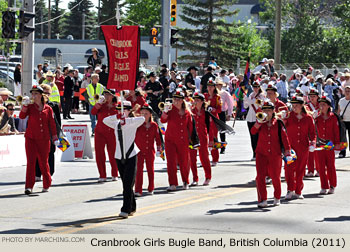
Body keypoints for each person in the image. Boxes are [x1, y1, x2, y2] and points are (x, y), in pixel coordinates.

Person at [103, 100, 145, 218]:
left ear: (128, 111)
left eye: (123, 110)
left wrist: (126, 120)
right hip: (119, 156)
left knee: (127, 184)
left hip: (131, 155)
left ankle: (125, 209)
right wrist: (117, 117)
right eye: (118, 110)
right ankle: (132, 206)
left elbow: (142, 119)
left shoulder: (133, 122)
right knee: (126, 183)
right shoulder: (116, 123)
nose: (121, 112)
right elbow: (104, 120)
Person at [251, 101, 292, 208]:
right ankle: (262, 199)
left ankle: (277, 197)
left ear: (273, 111)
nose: (266, 112)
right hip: (261, 153)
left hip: (275, 154)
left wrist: (288, 152)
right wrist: (259, 122)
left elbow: (285, 138)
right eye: (264, 110)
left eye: (269, 110)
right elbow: (253, 132)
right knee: (260, 177)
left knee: (275, 176)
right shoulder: (260, 121)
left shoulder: (278, 123)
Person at [19, 85, 58, 195]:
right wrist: (24, 106)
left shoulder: (48, 108)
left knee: (43, 162)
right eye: (33, 93)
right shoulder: (30, 107)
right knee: (31, 162)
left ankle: (47, 182)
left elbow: (52, 124)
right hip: (31, 138)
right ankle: (29, 186)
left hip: (44, 139)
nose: (34, 96)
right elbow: (22, 116)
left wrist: (55, 137)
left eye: (36, 93)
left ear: (41, 95)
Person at [284, 96, 316, 200]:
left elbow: (312, 133)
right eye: (293, 105)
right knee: (289, 169)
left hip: (303, 147)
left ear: (302, 105)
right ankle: (290, 189)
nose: (294, 107)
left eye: (296, 105)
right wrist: (282, 119)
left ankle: (298, 191)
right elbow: (281, 129)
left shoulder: (308, 118)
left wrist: (313, 142)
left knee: (300, 170)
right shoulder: (288, 116)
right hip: (290, 147)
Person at [161, 90, 193, 191]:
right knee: (171, 163)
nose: (176, 101)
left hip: (183, 140)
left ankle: (185, 181)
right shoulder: (170, 110)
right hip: (170, 140)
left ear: (182, 100)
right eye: (175, 99)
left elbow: (190, 127)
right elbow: (163, 120)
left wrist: (192, 140)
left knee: (184, 162)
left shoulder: (187, 112)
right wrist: (165, 112)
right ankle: (173, 183)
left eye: (178, 99)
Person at [91, 89, 119, 182]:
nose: (106, 96)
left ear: (113, 96)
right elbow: (93, 112)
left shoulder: (117, 106)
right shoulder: (101, 105)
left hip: (112, 132)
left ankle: (115, 173)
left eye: (108, 95)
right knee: (99, 153)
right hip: (100, 132)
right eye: (105, 94)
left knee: (113, 153)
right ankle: (102, 175)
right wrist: (98, 103)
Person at [134, 104, 162, 196]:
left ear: (150, 114)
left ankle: (151, 188)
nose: (144, 116)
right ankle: (138, 189)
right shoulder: (137, 125)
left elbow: (158, 139)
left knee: (150, 169)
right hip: (139, 151)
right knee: (139, 170)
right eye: (142, 113)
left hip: (150, 150)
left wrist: (159, 149)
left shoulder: (154, 125)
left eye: (146, 113)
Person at [35, 84, 61, 181]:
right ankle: (37, 173)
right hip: (38, 132)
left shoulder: (53, 105)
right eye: (43, 92)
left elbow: (58, 121)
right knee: (37, 153)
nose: (45, 95)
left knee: (50, 152)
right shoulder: (35, 105)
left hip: (50, 132)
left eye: (47, 93)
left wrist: (58, 135)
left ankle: (50, 173)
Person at [315, 96, 340, 195]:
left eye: (324, 104)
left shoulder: (333, 117)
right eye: (320, 104)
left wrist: (337, 144)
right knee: (321, 166)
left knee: (330, 166)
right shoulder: (317, 118)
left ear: (328, 106)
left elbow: (336, 131)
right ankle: (324, 186)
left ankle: (332, 185)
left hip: (330, 143)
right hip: (320, 144)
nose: (321, 106)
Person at [189, 92, 212, 186]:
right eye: (195, 100)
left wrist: (211, 140)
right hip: (193, 137)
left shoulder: (206, 113)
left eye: (198, 100)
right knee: (192, 158)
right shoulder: (191, 112)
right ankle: (195, 178)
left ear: (202, 102)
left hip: (202, 137)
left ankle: (208, 176)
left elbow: (210, 127)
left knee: (204, 157)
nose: (195, 101)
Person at [243, 81, 266, 160]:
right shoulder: (251, 95)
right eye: (254, 87)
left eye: (257, 87)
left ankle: (259, 153)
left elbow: (259, 103)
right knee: (252, 136)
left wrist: (248, 100)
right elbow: (246, 106)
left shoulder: (262, 95)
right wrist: (244, 100)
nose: (255, 88)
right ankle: (254, 153)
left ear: (259, 87)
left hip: (258, 117)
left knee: (258, 137)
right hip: (250, 117)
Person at [205, 79, 222, 166]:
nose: (210, 88)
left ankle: (215, 158)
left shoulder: (217, 97)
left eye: (211, 86)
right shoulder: (204, 96)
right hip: (205, 119)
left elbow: (220, 109)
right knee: (205, 138)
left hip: (214, 119)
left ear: (214, 87)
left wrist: (213, 109)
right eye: (208, 86)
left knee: (214, 138)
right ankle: (205, 159)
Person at [305, 88, 320, 177]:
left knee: (318, 151)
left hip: (320, 129)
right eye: (310, 96)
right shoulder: (307, 106)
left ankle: (318, 169)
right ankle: (310, 170)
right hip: (310, 130)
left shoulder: (321, 104)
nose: (312, 98)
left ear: (317, 97)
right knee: (310, 150)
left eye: (314, 96)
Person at [216, 80, 234, 154]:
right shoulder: (213, 93)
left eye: (220, 85)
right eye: (217, 85)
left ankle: (223, 146)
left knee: (222, 131)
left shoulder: (225, 93)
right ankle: (215, 146)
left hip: (222, 112)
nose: (218, 86)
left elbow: (230, 103)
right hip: (214, 113)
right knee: (213, 131)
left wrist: (229, 114)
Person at [338, 86, 350, 158]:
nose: (347, 92)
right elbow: (339, 111)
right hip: (343, 121)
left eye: (349, 91)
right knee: (343, 138)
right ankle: (342, 152)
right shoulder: (341, 100)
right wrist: (338, 118)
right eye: (346, 91)